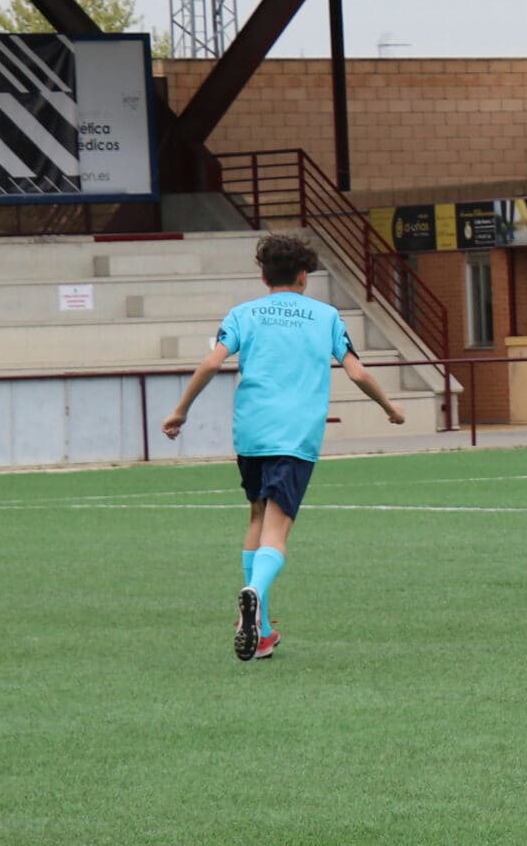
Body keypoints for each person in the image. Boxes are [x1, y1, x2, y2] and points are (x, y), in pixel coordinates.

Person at [160, 234, 406, 661]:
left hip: (251, 431)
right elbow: (357, 372)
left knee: (257, 513)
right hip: (295, 435)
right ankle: (254, 593)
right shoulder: (326, 316)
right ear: (303, 277)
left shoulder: (243, 313)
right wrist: (390, 407)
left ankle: (263, 630)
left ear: (263, 276)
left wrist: (181, 410)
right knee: (279, 527)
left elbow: (212, 362)